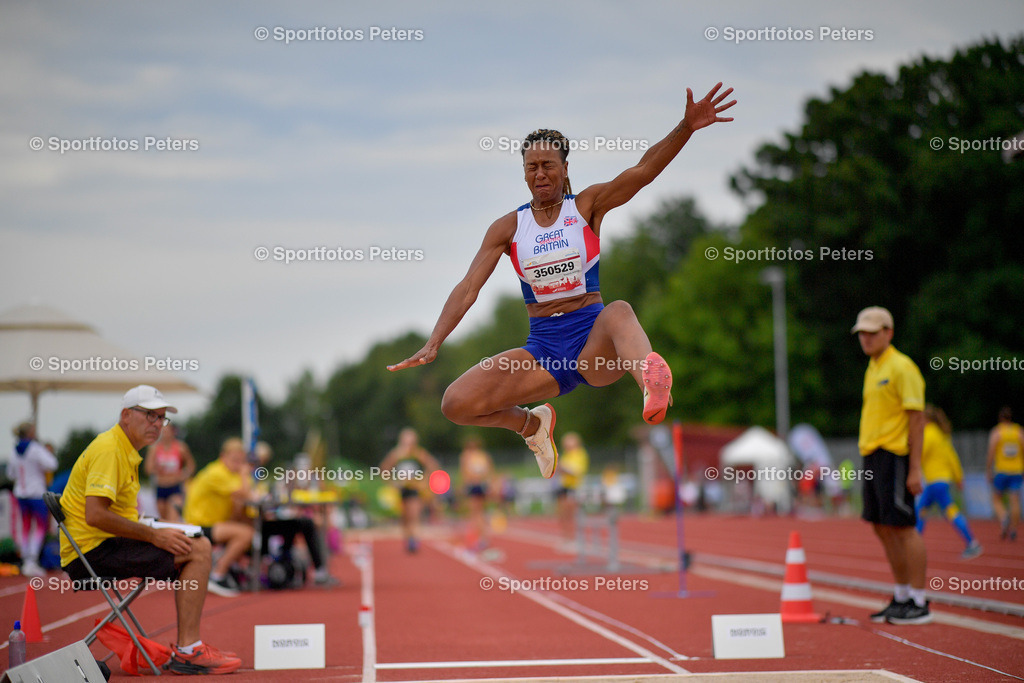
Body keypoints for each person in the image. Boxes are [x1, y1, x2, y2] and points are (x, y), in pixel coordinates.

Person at [388, 84, 736, 479]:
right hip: (543, 351)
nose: (540, 173)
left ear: (565, 168)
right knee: (455, 403)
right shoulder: (507, 227)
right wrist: (435, 340)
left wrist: (685, 128)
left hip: (594, 343)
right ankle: (531, 426)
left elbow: (642, 172)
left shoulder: (586, 206)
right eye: (532, 166)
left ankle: (651, 385)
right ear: (523, 172)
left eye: (548, 164)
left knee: (620, 310)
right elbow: (469, 287)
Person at [59, 385, 241, 674]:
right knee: (200, 547)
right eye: (149, 415)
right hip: (92, 552)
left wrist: (159, 527)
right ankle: (189, 651)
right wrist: (155, 534)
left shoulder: (123, 449)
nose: (157, 424)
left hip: (101, 545)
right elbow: (94, 515)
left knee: (191, 539)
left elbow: (115, 514)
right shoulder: (110, 450)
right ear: (126, 415)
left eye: (161, 418)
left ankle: (188, 649)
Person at [852, 307, 930, 625]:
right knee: (881, 526)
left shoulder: (902, 367)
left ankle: (920, 600)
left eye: (872, 332)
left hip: (895, 455)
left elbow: (917, 418)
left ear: (889, 332)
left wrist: (915, 467)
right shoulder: (873, 368)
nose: (866, 338)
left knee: (903, 526)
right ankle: (900, 596)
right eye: (862, 333)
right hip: (872, 455)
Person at [182, 438, 257, 596]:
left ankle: (237, 567)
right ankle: (218, 573)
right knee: (246, 533)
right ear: (223, 456)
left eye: (241, 461)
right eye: (235, 460)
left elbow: (245, 499)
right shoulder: (216, 472)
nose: (238, 465)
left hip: (215, 523)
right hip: (198, 525)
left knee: (249, 522)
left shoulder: (230, 474)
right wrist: (244, 473)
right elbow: (246, 493)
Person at [915, 405, 982, 559]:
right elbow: (952, 458)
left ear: (926, 419)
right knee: (921, 511)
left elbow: (918, 454)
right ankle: (915, 545)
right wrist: (958, 477)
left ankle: (972, 542)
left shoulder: (929, 434)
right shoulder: (942, 435)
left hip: (935, 482)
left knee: (948, 512)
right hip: (941, 481)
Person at [8, 422, 58, 577]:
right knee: (40, 527)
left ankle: (26, 560)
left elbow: (11, 474)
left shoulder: (13, 451)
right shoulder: (35, 448)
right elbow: (52, 464)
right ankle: (32, 560)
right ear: (31, 433)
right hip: (36, 493)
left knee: (25, 526)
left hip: (21, 493)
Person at [379, 428, 440, 553]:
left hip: (415, 489)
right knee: (405, 517)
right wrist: (392, 482)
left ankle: (414, 539)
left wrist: (424, 480)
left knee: (414, 514)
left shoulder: (419, 454)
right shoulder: (397, 454)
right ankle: (408, 538)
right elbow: (384, 468)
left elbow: (433, 465)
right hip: (402, 489)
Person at [144, 424, 196, 522]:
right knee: (164, 521)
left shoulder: (181, 447)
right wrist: (157, 469)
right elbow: (148, 469)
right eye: (163, 432)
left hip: (175, 487)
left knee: (173, 519)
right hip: (160, 487)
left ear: (173, 432)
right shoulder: (154, 448)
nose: (165, 434)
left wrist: (184, 475)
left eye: (167, 431)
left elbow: (191, 466)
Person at [987, 406, 1024, 540]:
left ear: (1000, 418)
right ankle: (1013, 529)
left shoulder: (997, 432)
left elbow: (991, 452)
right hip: (1017, 471)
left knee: (996, 499)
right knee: (1015, 501)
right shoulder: (1018, 432)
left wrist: (988, 469)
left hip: (1002, 471)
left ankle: (1004, 517)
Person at [458, 437, 494, 550]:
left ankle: (479, 538)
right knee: (480, 512)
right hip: (482, 485)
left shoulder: (467, 456)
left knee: (475, 513)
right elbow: (488, 472)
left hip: (474, 485)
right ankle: (482, 537)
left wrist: (463, 486)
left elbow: (465, 473)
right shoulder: (483, 456)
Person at [556, 431, 589, 545]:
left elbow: (576, 471)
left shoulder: (580, 454)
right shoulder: (566, 454)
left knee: (571, 513)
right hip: (564, 485)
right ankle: (566, 537)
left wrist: (562, 467)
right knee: (563, 514)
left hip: (574, 487)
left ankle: (574, 537)